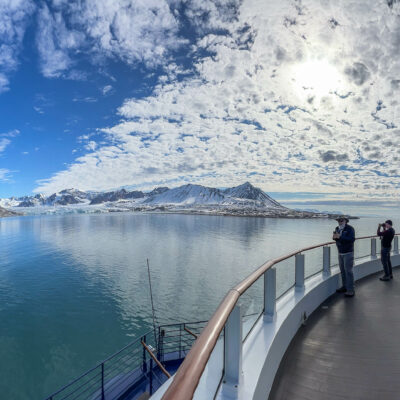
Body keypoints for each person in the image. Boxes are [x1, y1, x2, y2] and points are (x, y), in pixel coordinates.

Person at [333, 217, 356, 297]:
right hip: (340, 252)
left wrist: (340, 237)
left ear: (346, 221)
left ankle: (351, 290)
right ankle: (344, 286)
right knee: (342, 271)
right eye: (338, 220)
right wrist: (334, 237)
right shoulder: (337, 228)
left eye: (341, 220)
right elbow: (336, 238)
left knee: (348, 272)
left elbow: (352, 239)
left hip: (348, 253)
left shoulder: (350, 229)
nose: (339, 222)